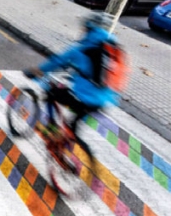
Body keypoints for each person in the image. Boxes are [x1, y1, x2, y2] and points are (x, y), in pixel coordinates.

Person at [22, 11, 120, 151]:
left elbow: (58, 61)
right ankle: (70, 148)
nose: (83, 30)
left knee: (51, 93)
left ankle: (52, 129)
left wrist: (36, 71)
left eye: (84, 27)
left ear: (89, 28)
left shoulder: (84, 47)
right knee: (72, 128)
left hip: (86, 97)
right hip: (106, 99)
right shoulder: (113, 47)